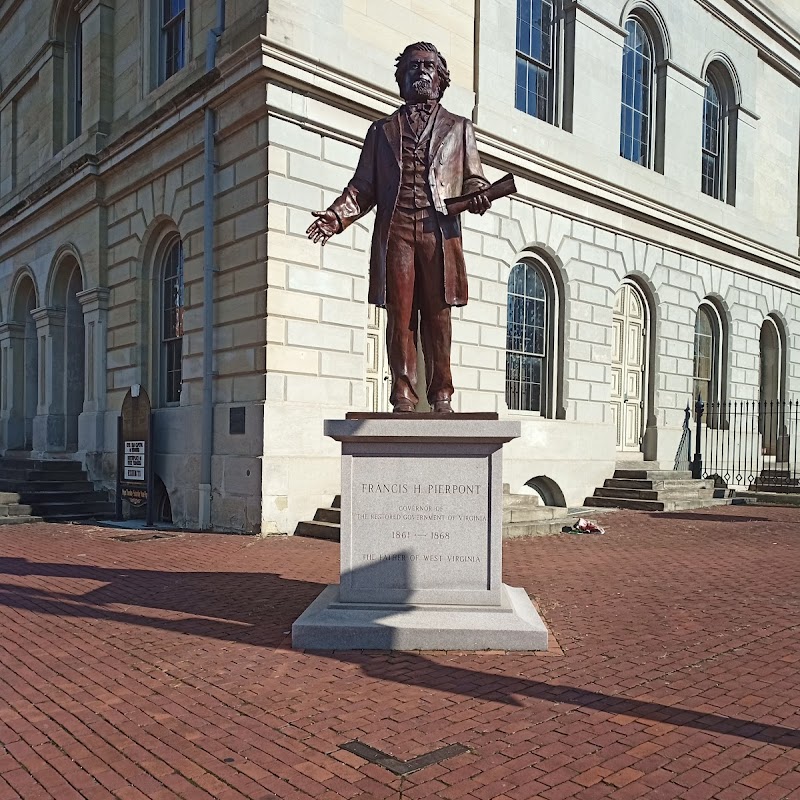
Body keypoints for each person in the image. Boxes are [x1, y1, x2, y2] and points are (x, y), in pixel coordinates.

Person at [306, 42, 491, 413]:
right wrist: (336, 216)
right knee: (400, 315)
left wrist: (479, 193)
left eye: (428, 67)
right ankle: (403, 394)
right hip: (397, 232)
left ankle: (441, 394)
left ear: (441, 79)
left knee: (438, 316)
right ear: (401, 79)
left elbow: (472, 178)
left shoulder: (459, 128)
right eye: (413, 67)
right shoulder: (381, 131)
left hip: (439, 233)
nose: (421, 72)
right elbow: (363, 188)